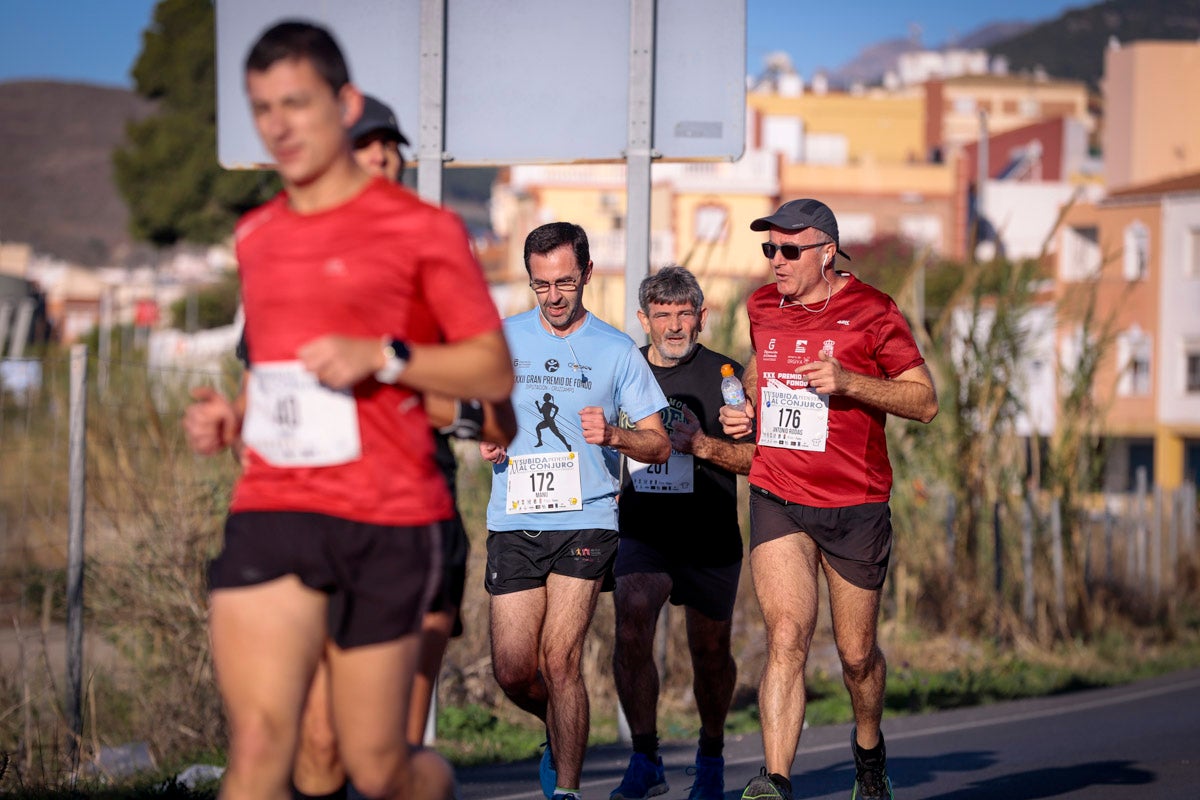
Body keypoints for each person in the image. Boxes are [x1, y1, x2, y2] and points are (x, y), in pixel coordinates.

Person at [182, 20, 513, 800]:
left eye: (295, 103)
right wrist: (232, 420)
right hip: (275, 503)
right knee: (264, 744)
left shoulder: (423, 230)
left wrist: (387, 356)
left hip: (391, 517)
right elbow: (272, 371)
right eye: (262, 107)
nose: (279, 125)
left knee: (375, 765)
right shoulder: (256, 236)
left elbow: (493, 369)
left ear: (344, 102)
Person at [286, 94, 518, 800]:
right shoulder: (293, 255)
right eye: (364, 143)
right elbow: (267, 382)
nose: (381, 154)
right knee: (323, 740)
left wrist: (399, 369)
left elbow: (487, 392)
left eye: (389, 142)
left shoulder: (436, 248)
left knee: (399, 730)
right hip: (325, 505)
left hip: (418, 497)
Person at [719, 199, 938, 800]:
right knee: (787, 635)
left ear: (826, 253)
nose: (777, 263)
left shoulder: (873, 311)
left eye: (789, 251)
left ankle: (869, 751)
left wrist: (848, 383)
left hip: (855, 503)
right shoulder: (762, 306)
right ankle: (776, 781)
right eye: (770, 250)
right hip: (778, 491)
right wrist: (746, 415)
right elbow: (763, 372)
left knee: (857, 656)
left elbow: (924, 401)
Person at [479, 222, 671, 800]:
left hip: (585, 519)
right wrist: (489, 434)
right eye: (541, 285)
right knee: (513, 670)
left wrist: (614, 434)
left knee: (561, 659)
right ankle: (558, 732)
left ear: (587, 274)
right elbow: (479, 409)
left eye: (565, 282)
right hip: (514, 517)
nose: (554, 296)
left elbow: (659, 443)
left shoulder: (615, 351)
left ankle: (567, 791)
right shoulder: (503, 337)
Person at [609, 266, 755, 800]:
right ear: (644, 319)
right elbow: (595, 434)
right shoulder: (624, 370)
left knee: (710, 650)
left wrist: (702, 447)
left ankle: (711, 754)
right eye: (662, 315)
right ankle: (645, 756)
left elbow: (754, 460)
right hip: (644, 530)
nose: (674, 326)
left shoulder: (726, 375)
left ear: (701, 317)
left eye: (684, 313)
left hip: (709, 532)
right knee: (631, 621)